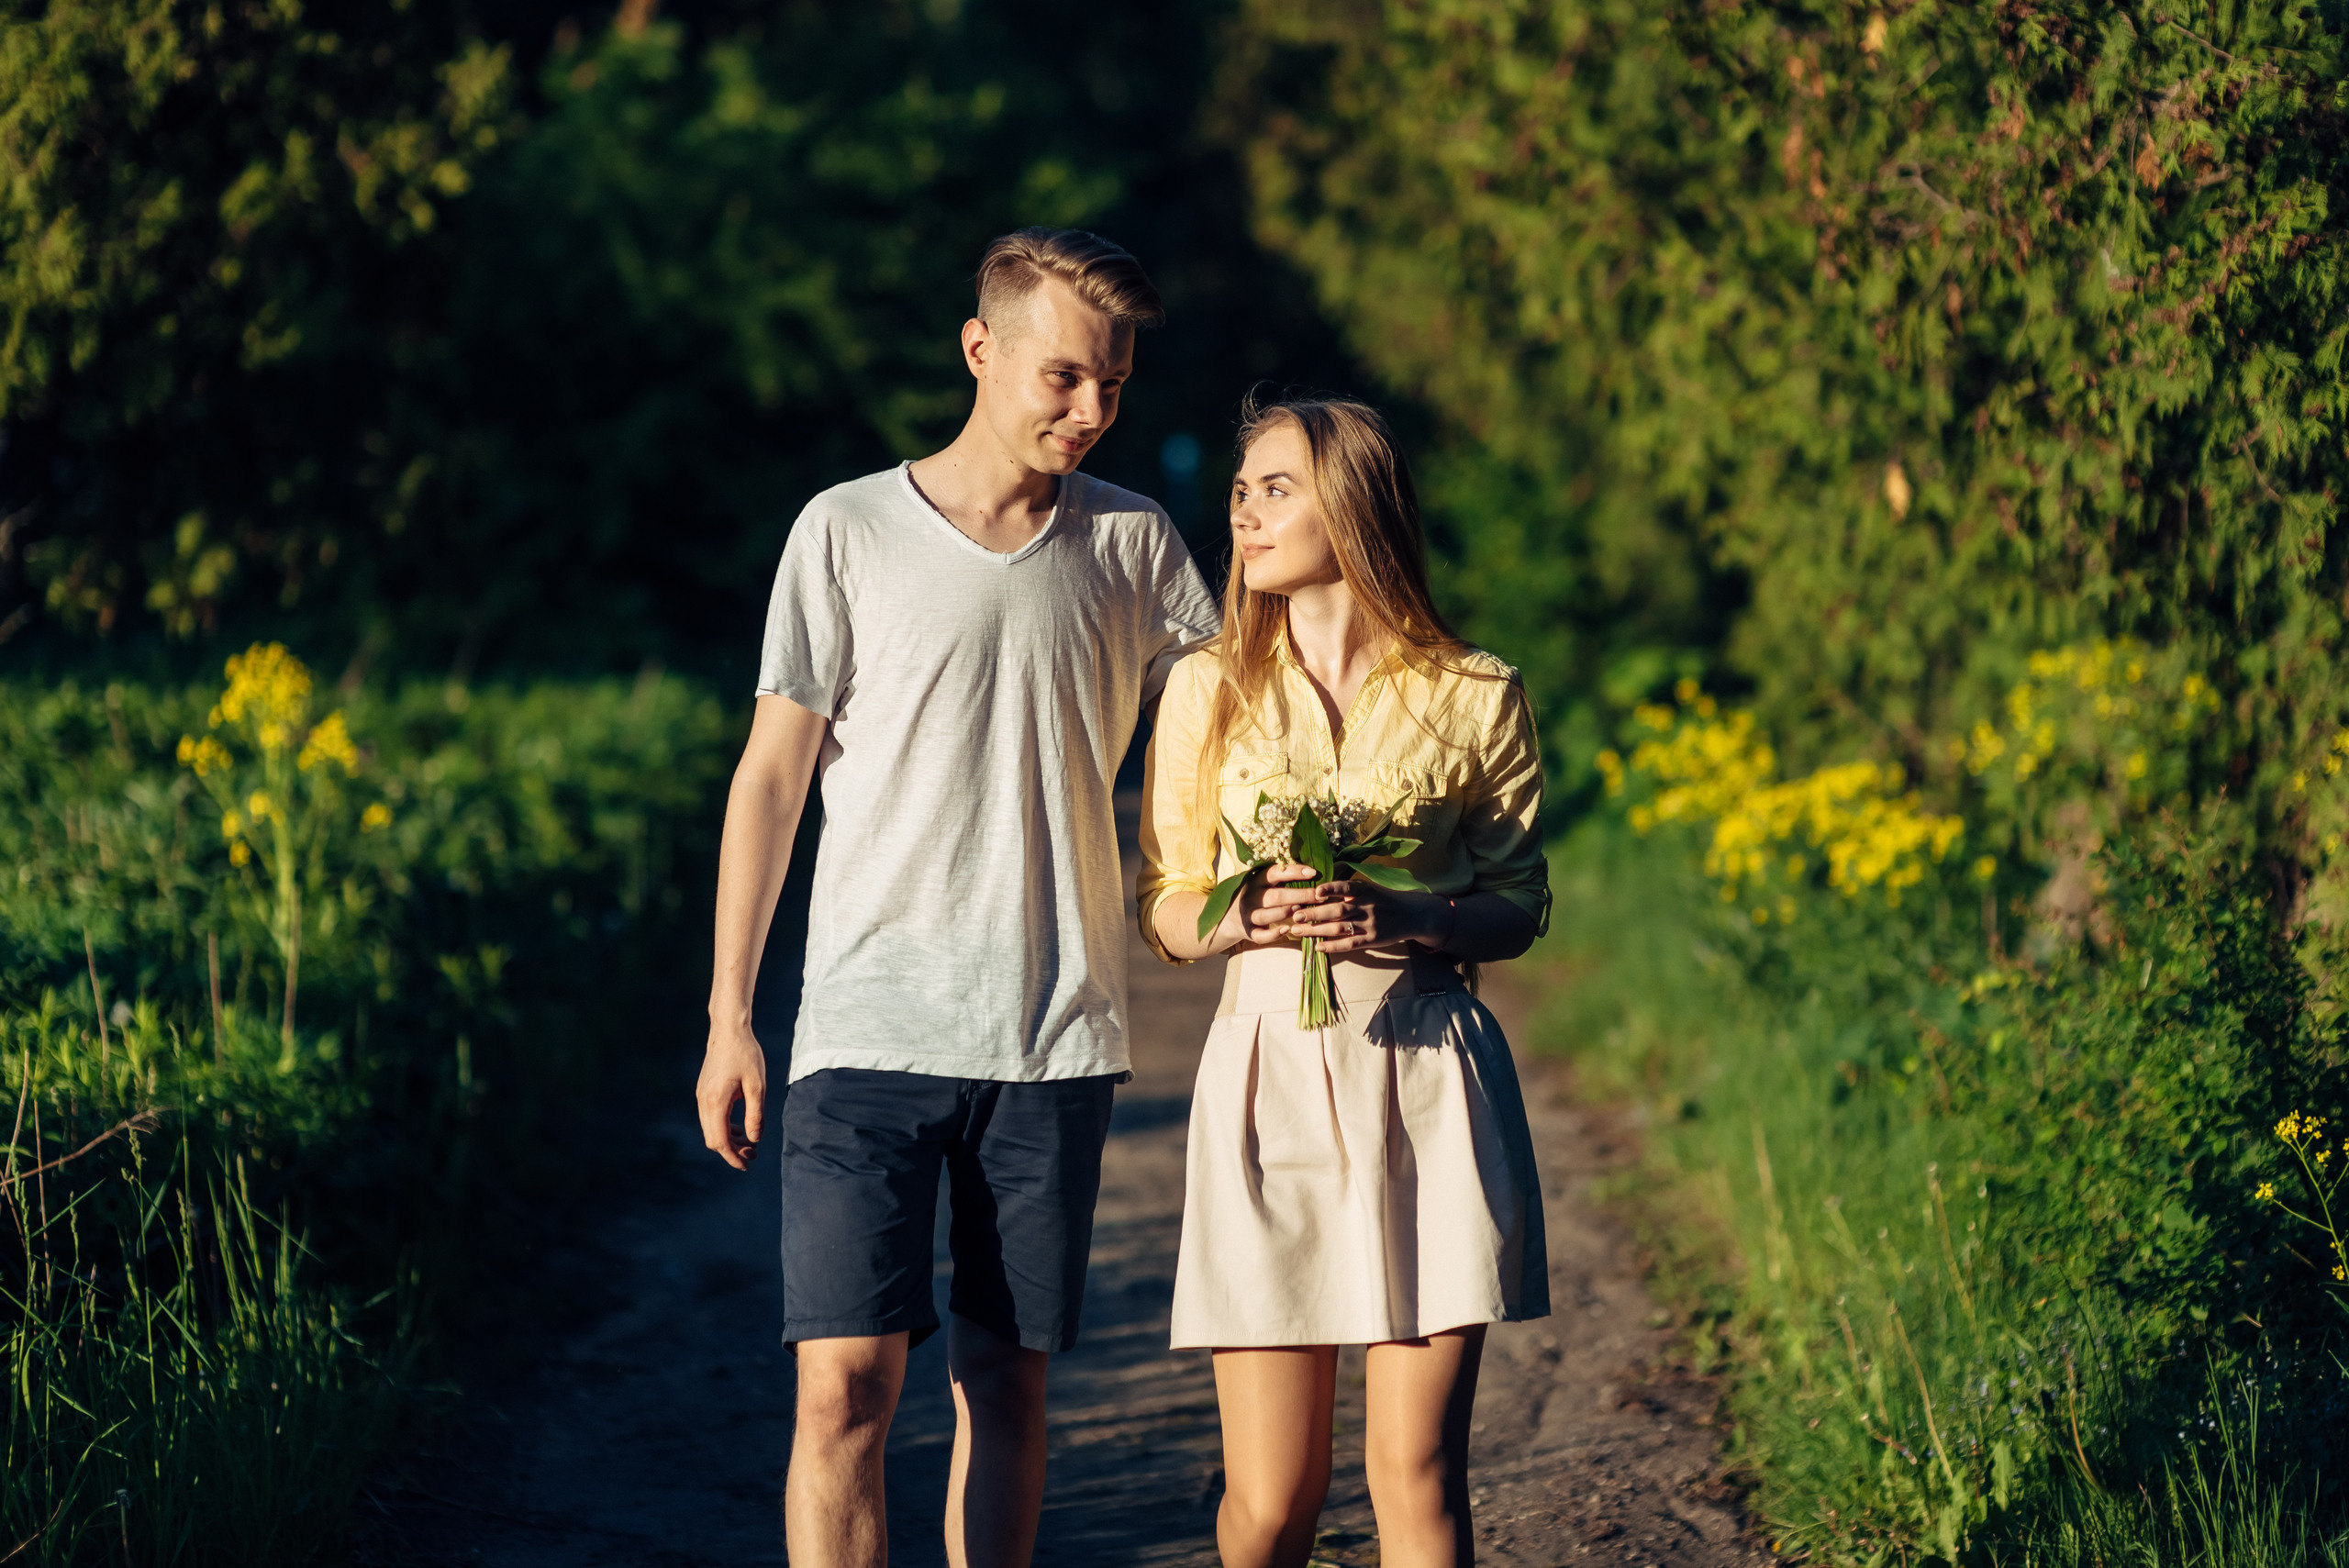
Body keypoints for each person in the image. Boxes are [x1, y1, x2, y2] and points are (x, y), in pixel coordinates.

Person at [696, 228, 1219, 1568]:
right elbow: (771, 777)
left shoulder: (1137, 543)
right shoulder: (846, 529)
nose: (1093, 411)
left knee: (1008, 1387)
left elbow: (1235, 723)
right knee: (843, 1391)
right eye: (1064, 377)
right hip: (866, 1029)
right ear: (980, 351)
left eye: (1115, 385)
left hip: (1053, 1035)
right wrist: (729, 1015)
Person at [1137, 395, 1552, 1568]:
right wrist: (1233, 916)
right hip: (1264, 1072)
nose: (1246, 512)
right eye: (1241, 490)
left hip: (1424, 1075)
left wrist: (1410, 914)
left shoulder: (1473, 690)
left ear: (1354, 501)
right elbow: (1166, 899)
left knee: (1415, 1478)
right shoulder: (1206, 686)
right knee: (1273, 1498)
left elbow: (1518, 904)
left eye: (1278, 486)